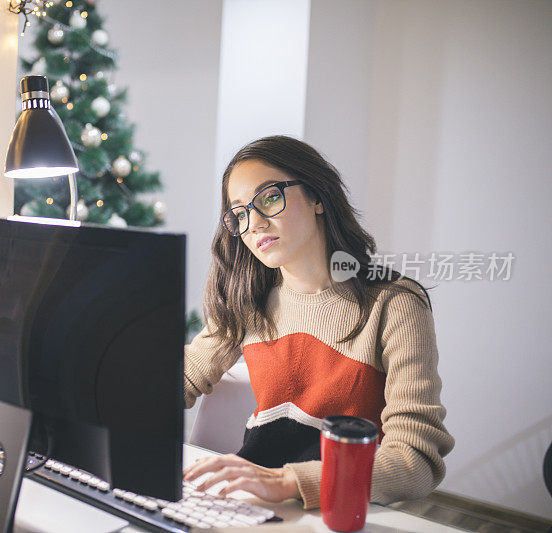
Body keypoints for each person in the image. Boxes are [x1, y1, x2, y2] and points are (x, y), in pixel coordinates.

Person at [182, 135, 454, 510]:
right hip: (252, 505)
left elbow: (415, 460)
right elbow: (181, 378)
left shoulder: (394, 304)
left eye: (270, 198)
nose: (255, 224)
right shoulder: (249, 299)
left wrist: (290, 480)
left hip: (340, 508)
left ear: (317, 198)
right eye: (240, 213)